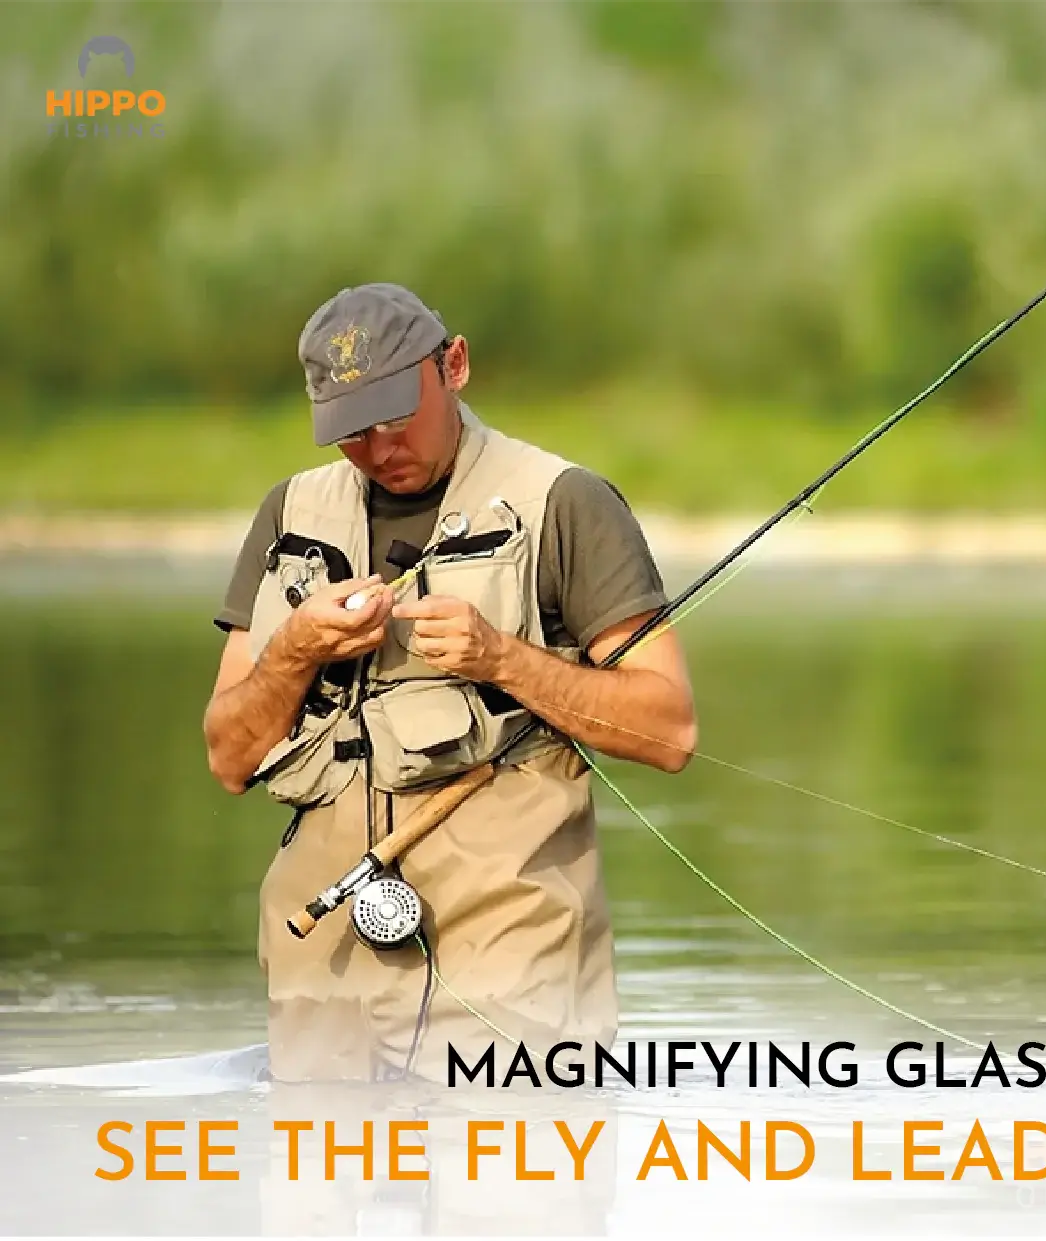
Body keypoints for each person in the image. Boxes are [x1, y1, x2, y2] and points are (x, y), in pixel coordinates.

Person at [203, 282, 697, 1082]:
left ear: (454, 364)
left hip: (514, 958)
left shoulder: (566, 503)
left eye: (395, 416)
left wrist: (502, 658)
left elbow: (670, 729)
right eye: (350, 430)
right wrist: (293, 650)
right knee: (307, 1191)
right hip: (321, 956)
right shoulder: (287, 511)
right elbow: (228, 757)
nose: (377, 447)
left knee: (515, 1196)